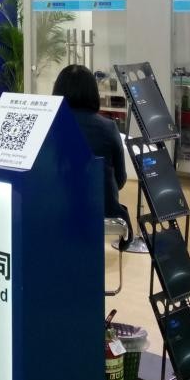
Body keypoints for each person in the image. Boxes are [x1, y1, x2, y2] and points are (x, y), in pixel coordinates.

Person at [52, 64, 133, 248]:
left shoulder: (49, 128)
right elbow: (120, 180)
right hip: (102, 210)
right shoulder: (108, 128)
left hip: (55, 209)